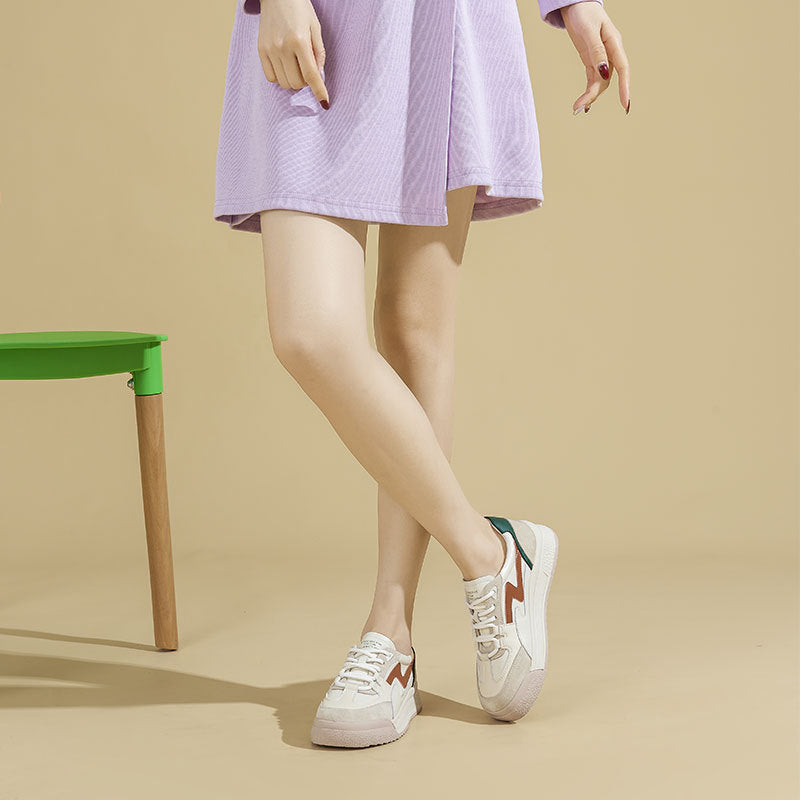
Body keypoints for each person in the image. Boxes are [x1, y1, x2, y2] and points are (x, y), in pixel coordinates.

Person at [214, 0, 631, 748]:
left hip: (440, 21)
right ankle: (491, 555)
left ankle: (390, 638)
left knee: (414, 333)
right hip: (311, 17)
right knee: (309, 331)